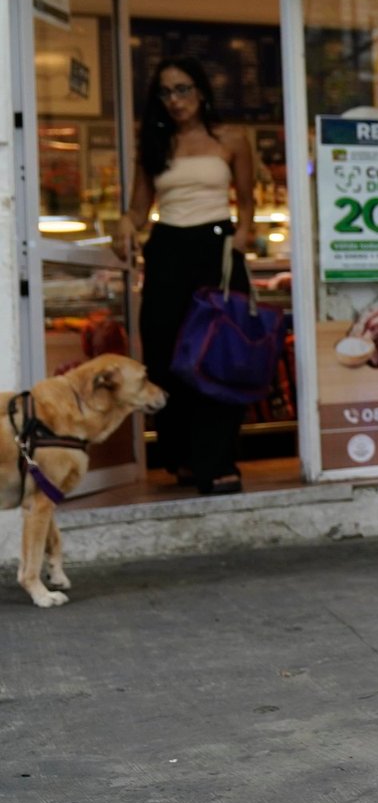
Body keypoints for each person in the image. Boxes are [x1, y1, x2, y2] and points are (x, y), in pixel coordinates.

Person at [113, 57, 255, 495]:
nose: (175, 100)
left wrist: (242, 237)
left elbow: (247, 203)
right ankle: (185, 458)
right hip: (168, 248)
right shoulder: (155, 144)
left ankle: (217, 459)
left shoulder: (231, 138)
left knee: (219, 354)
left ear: (202, 91)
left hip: (217, 249)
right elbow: (140, 208)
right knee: (165, 353)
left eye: (183, 89)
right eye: (166, 92)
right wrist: (124, 223)